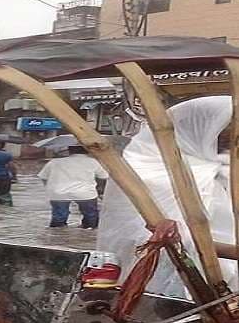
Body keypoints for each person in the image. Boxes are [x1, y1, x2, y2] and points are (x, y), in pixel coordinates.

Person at [98, 96, 238, 298]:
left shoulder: (218, 166)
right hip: (171, 287)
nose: (229, 143)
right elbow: (152, 240)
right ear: (198, 128)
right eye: (226, 133)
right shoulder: (149, 169)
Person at [38, 145, 108, 229]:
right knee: (90, 217)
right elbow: (104, 176)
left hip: (58, 193)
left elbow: (43, 177)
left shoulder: (54, 162)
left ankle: (57, 237)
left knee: (59, 218)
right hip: (85, 193)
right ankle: (88, 234)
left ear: (69, 151)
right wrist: (100, 191)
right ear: (87, 151)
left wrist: (50, 188)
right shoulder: (93, 162)